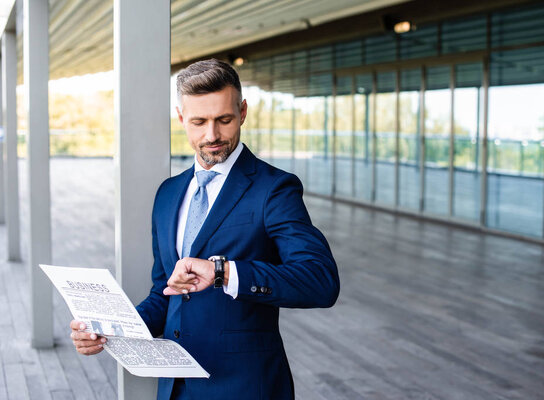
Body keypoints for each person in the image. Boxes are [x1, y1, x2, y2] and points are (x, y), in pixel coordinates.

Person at [69, 58, 340, 399]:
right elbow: (165, 294)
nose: (211, 136)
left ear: (242, 111)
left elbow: (320, 282)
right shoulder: (168, 193)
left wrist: (223, 272)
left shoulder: (274, 189)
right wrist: (107, 330)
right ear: (181, 117)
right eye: (198, 122)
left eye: (223, 120)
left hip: (245, 387)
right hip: (175, 389)